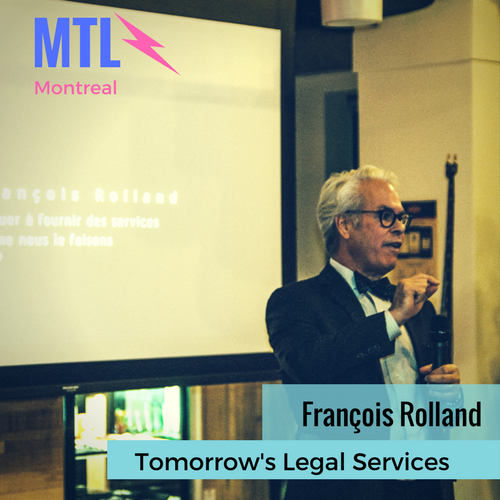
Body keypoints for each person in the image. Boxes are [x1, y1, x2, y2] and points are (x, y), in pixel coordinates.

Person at [266, 165, 460, 500]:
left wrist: (449, 395)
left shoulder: (420, 309)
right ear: (344, 225)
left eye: (401, 218)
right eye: (386, 216)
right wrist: (393, 318)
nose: (400, 228)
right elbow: (311, 367)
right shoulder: (295, 302)